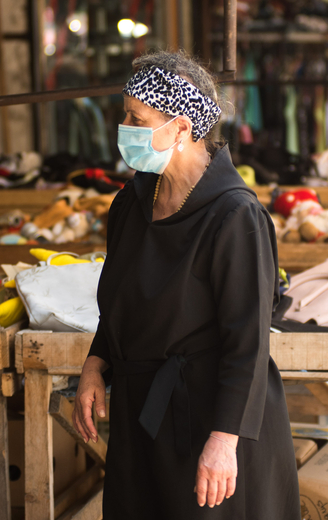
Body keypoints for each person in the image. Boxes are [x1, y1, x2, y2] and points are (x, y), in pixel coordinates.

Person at [72, 51, 300, 519]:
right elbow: (120, 303)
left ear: (180, 129)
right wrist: (97, 364)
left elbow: (248, 342)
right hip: (143, 415)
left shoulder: (235, 215)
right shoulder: (131, 205)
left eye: (137, 118)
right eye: (125, 116)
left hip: (212, 419)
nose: (125, 128)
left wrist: (224, 440)